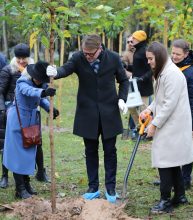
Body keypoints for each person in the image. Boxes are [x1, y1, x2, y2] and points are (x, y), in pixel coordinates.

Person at [46, 34, 129, 203]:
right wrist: (55, 71)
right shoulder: (78, 57)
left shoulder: (113, 58)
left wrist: (122, 99)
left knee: (110, 151)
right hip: (87, 112)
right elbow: (66, 69)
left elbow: (123, 80)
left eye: (92, 54)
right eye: (86, 53)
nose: (88, 57)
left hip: (109, 112)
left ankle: (110, 187)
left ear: (100, 48)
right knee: (90, 151)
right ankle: (93, 187)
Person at [140, 41, 193, 213]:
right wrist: (149, 110)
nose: (148, 62)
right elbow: (160, 99)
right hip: (170, 122)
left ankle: (165, 201)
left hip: (174, 123)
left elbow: (169, 104)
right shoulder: (165, 72)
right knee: (172, 162)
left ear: (158, 57)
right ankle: (180, 196)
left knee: (164, 161)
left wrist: (154, 125)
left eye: (150, 59)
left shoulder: (172, 74)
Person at [3, 60, 57, 199]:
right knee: (18, 156)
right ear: (33, 75)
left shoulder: (38, 84)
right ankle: (20, 189)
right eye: (39, 79)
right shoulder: (23, 82)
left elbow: (39, 99)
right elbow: (31, 92)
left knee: (28, 154)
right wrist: (44, 92)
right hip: (18, 122)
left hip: (31, 123)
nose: (40, 82)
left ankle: (26, 185)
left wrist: (50, 108)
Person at [0, 44, 50, 188]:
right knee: (11, 148)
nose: (21, 61)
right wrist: (3, 109)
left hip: (31, 117)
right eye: (19, 58)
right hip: (14, 114)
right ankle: (8, 179)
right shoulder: (10, 72)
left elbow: (38, 95)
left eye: (24, 58)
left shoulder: (35, 72)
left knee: (32, 145)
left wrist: (49, 107)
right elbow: (28, 90)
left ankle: (34, 176)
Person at [171, 39, 193, 190]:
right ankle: (172, 178)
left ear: (186, 54)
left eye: (178, 54)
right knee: (172, 147)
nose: (174, 56)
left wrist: (192, 125)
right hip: (172, 114)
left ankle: (185, 179)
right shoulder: (172, 67)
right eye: (173, 53)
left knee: (185, 147)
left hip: (186, 116)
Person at [128, 30, 153, 136]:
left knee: (145, 111)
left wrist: (142, 78)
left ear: (140, 39)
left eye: (134, 38)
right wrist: (126, 66)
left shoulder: (145, 51)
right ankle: (140, 127)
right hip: (135, 85)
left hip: (144, 86)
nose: (131, 40)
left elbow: (151, 69)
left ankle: (149, 132)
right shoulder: (137, 50)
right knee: (131, 107)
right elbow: (138, 68)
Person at [121, 36, 136, 136]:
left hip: (140, 83)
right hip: (131, 83)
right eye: (128, 41)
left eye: (132, 41)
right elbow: (122, 69)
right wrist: (133, 76)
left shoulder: (139, 53)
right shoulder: (126, 54)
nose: (130, 43)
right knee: (133, 106)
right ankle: (132, 130)